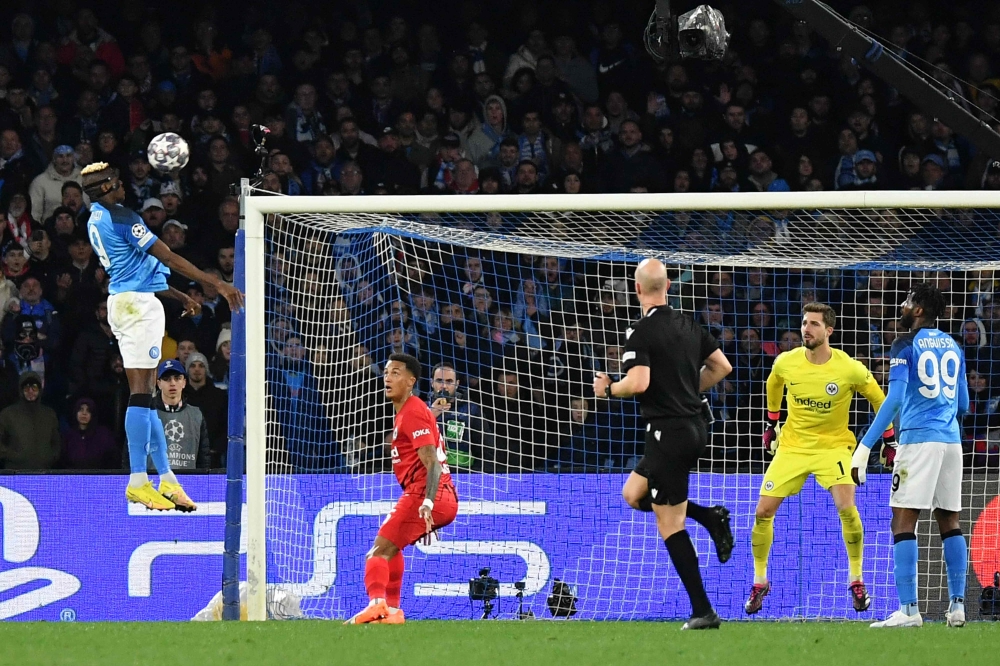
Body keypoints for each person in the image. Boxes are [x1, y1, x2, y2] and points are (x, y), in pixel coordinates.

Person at [81, 161, 243, 511]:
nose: (124, 187)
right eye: (118, 183)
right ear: (108, 188)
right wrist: (215, 283)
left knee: (149, 395)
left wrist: (181, 296)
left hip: (125, 301)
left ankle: (167, 479)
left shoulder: (95, 216)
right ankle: (138, 479)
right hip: (138, 308)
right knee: (140, 394)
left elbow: (137, 268)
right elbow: (166, 255)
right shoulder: (123, 216)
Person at [592, 258, 733, 630]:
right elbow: (722, 367)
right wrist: (687, 390)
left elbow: (637, 383)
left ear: (638, 289)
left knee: (668, 522)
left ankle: (703, 611)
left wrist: (608, 388)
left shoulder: (641, 331)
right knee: (633, 494)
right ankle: (709, 516)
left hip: (668, 433)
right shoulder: (689, 323)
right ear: (667, 285)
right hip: (694, 427)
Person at [747, 302, 892, 616]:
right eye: (804, 323)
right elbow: (774, 384)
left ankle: (856, 579)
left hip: (834, 448)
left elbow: (880, 399)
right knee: (762, 512)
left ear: (829, 330)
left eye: (813, 324)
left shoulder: (848, 367)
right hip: (793, 448)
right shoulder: (787, 362)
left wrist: (890, 439)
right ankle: (760, 581)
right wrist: (772, 423)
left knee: (847, 508)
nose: (806, 329)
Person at [852, 284, 969, 628]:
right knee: (950, 521)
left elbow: (895, 398)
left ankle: (909, 610)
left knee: (903, 520)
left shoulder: (904, 344)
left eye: (906, 302)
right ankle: (958, 606)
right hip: (951, 442)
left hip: (919, 441)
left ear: (918, 310)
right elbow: (963, 404)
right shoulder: (955, 346)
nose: (901, 307)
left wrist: (865, 446)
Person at [345, 353, 459, 625]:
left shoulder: (413, 411)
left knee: (377, 552)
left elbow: (432, 463)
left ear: (411, 381)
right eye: (386, 372)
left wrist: (428, 502)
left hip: (428, 493)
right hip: (434, 494)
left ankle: (376, 605)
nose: (387, 377)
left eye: (396, 373)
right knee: (392, 549)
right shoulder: (411, 412)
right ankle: (393, 610)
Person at [151, 359, 211, 472]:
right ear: (159, 383)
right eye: (166, 379)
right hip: (153, 483)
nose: (172, 383)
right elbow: (132, 453)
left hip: (188, 482)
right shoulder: (146, 414)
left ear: (184, 382)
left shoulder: (196, 415)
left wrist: (202, 481)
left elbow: (204, 457)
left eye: (177, 378)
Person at [0, 371, 62, 470]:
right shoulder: (8, 414)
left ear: (40, 390)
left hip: (44, 472)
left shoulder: (49, 414)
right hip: (15, 472)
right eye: (27, 388)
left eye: (34, 387)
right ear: (21, 390)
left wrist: (51, 457)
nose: (30, 391)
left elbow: (56, 442)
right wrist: (14, 456)